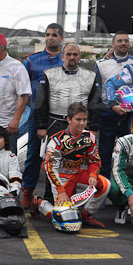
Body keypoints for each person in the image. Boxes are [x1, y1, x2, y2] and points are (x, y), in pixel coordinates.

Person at [32, 42, 100, 204]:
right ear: (62, 56)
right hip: (55, 123)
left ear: (80, 57)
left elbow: (95, 103)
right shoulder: (49, 74)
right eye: (68, 54)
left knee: (76, 163)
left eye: (75, 54)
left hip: (80, 126)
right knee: (53, 164)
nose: (72, 57)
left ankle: (73, 199)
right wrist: (41, 125)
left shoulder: (90, 76)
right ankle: (50, 198)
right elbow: (40, 102)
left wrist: (94, 128)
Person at [33, 102, 111, 228]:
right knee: (61, 217)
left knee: (105, 184)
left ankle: (87, 215)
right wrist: (61, 190)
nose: (82, 123)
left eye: (84, 119)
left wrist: (92, 174)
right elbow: (50, 168)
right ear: (69, 120)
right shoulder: (56, 141)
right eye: (78, 119)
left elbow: (94, 160)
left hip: (78, 174)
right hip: (61, 178)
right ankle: (38, 202)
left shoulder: (89, 137)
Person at [20, 24, 65, 209]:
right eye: (47, 35)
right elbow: (20, 85)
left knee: (61, 157)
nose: (50, 38)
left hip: (61, 116)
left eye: (54, 35)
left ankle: (57, 193)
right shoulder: (31, 61)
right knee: (33, 155)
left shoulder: (68, 58)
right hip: (37, 116)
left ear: (61, 38)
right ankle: (27, 192)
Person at [94, 31, 133, 180]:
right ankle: (103, 190)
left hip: (129, 115)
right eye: (119, 41)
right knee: (104, 155)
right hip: (108, 114)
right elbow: (97, 91)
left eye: (126, 41)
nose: (123, 43)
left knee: (127, 155)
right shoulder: (101, 64)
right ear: (113, 44)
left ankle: (125, 193)